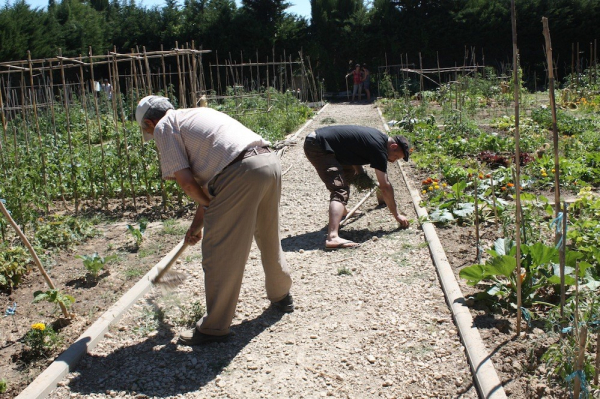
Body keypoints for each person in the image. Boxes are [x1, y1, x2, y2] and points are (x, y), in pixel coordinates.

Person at [136, 95, 293, 345]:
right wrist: (196, 225)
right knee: (267, 234)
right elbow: (212, 185)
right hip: (267, 162)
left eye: (149, 132)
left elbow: (188, 184)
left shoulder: (165, 126)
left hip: (240, 172)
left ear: (150, 123)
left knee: (219, 251)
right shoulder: (192, 116)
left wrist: (213, 208)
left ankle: (214, 328)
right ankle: (282, 295)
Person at [304, 125, 410, 249]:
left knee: (348, 174)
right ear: (393, 147)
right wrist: (397, 215)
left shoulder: (377, 137)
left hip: (320, 142)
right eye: (396, 157)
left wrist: (360, 174)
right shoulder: (380, 149)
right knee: (340, 189)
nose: (393, 161)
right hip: (319, 146)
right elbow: (385, 186)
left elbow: (354, 151)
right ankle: (332, 237)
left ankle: (342, 211)